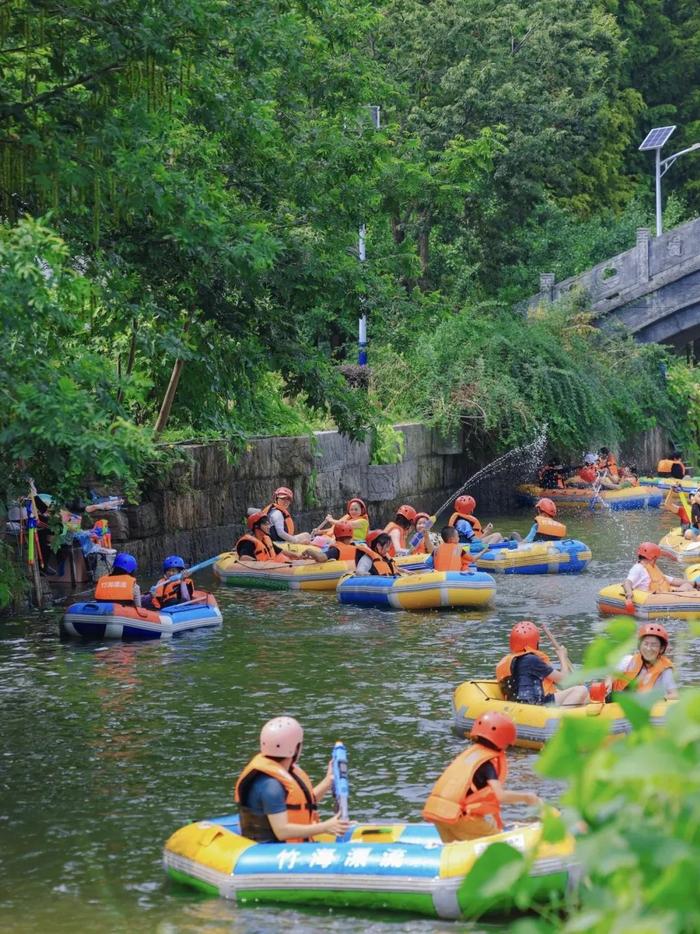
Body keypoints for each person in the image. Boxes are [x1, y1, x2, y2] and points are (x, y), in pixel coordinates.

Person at [422, 711, 542, 842]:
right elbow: (500, 796)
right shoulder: (487, 764)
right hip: (461, 817)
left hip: (439, 813)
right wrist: (526, 797)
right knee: (499, 845)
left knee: (456, 848)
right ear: (503, 742)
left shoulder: (470, 756)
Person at [234, 716, 350, 842]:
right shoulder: (271, 785)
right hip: (273, 853)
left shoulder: (281, 774)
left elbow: (302, 804)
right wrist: (324, 827)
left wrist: (329, 781)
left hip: (290, 847)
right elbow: (281, 831)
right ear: (295, 748)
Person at [496, 621, 589, 706]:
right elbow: (564, 680)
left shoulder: (508, 661)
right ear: (535, 642)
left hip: (517, 705)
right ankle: (558, 720)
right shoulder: (531, 660)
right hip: (535, 705)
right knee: (582, 690)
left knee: (583, 698)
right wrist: (562, 657)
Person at [610, 623, 678, 700]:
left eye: (654, 645)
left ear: (661, 649)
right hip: (619, 703)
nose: (648, 648)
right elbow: (611, 677)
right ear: (640, 645)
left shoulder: (665, 670)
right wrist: (608, 683)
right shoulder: (627, 661)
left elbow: (674, 695)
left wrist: (658, 699)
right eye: (646, 644)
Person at [623, 542, 698, 610]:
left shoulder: (653, 568)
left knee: (687, 585)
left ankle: (681, 592)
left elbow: (673, 580)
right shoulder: (638, 568)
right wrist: (629, 593)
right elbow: (627, 581)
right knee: (688, 588)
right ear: (654, 557)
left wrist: (695, 583)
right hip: (654, 597)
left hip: (665, 593)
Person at [236, 512, 314, 564]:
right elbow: (243, 558)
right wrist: (262, 565)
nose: (269, 527)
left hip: (274, 565)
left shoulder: (266, 539)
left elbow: (280, 551)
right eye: (266, 525)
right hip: (266, 568)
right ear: (256, 526)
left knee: (298, 562)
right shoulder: (249, 542)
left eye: (268, 524)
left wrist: (298, 556)